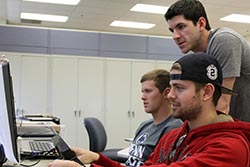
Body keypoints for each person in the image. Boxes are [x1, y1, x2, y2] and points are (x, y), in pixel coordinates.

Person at [48, 69, 183, 167]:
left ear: (166, 93)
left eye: (148, 91)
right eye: (142, 92)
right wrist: (95, 157)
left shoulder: (173, 129)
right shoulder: (145, 125)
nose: (142, 97)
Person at [164, 0, 250, 122]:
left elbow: (222, 106)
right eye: (172, 30)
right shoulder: (201, 57)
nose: (175, 36)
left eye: (181, 27)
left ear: (201, 23)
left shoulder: (224, 40)